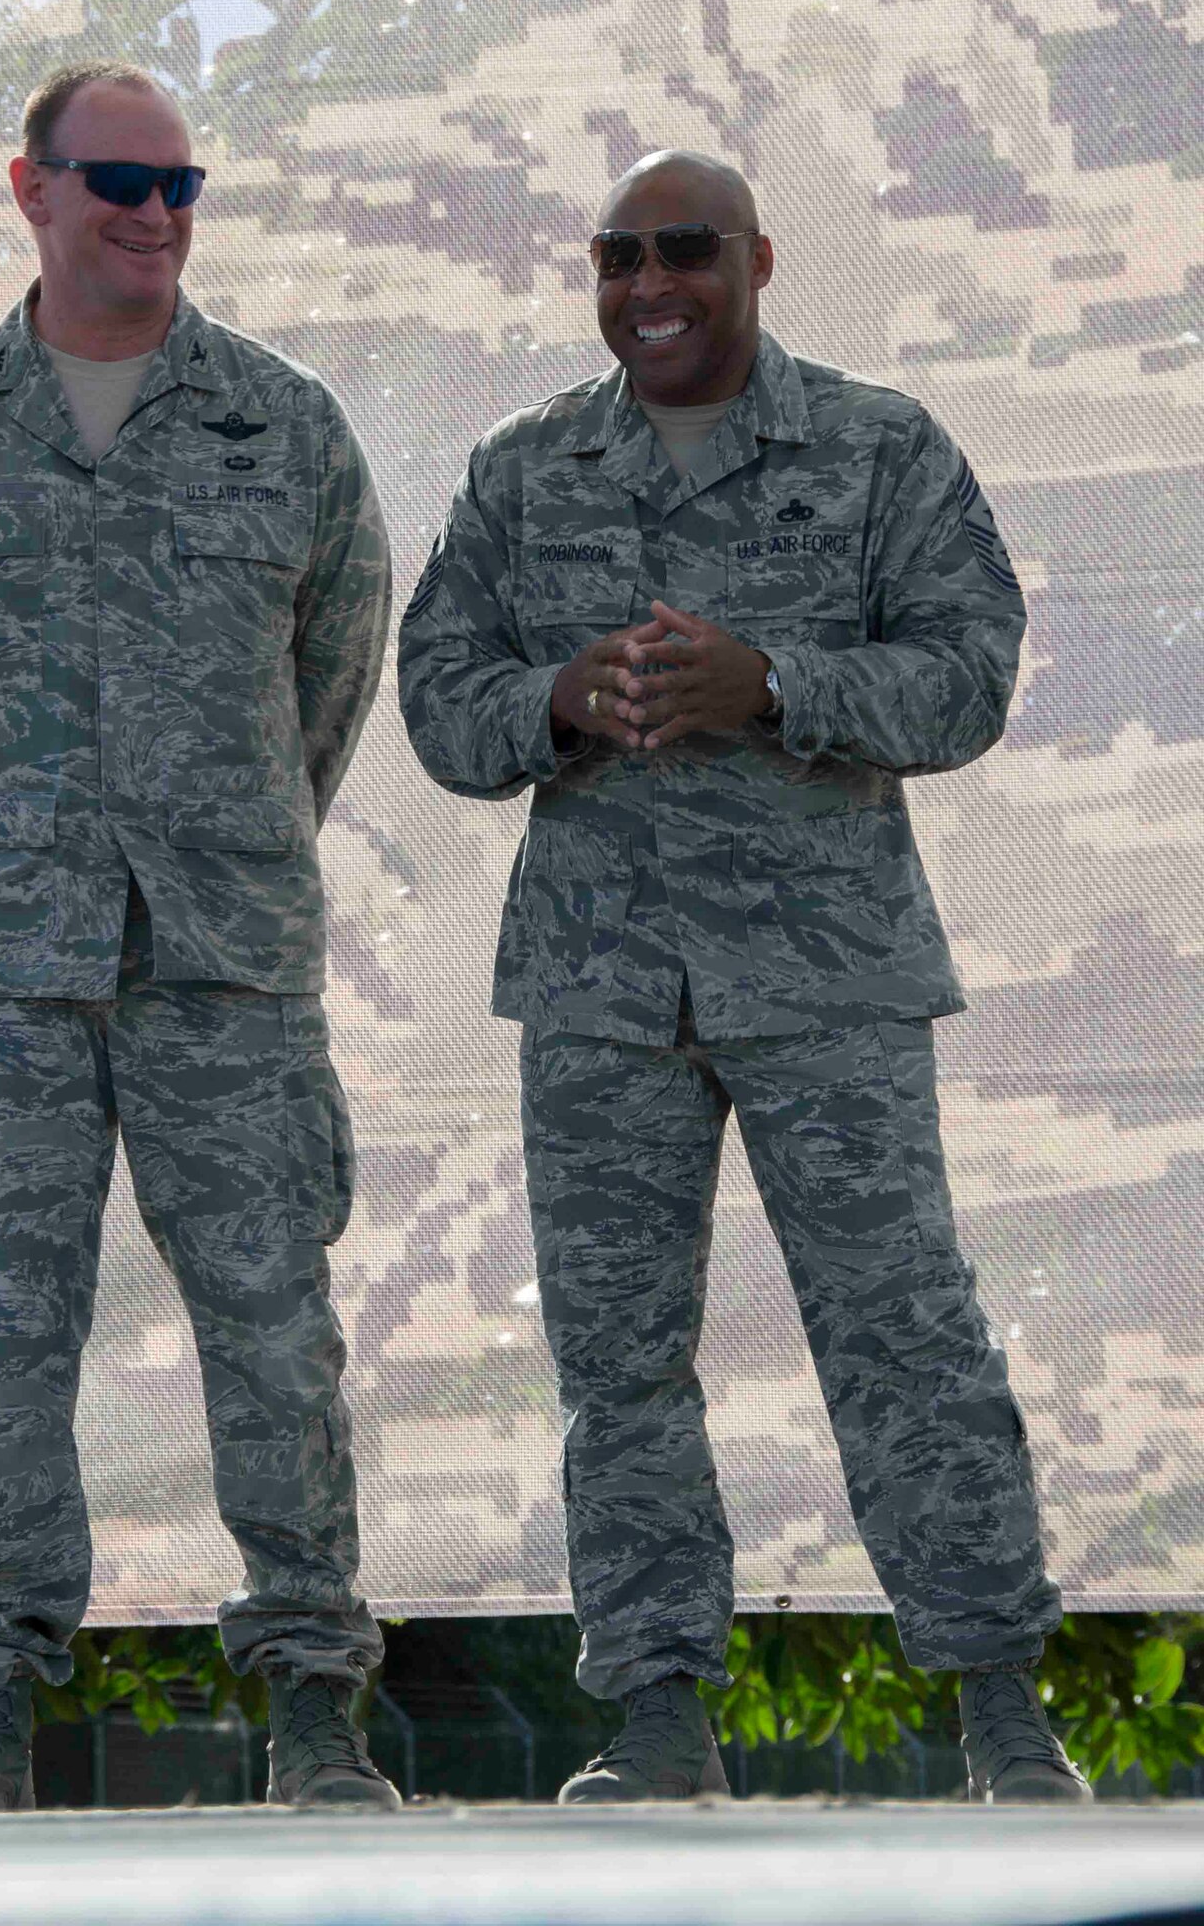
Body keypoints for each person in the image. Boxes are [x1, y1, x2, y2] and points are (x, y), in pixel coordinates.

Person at [397, 149, 1090, 1807]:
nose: (649, 284)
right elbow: (435, 697)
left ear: (758, 261)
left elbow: (968, 675)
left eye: (684, 250)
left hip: (826, 977)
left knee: (905, 1337)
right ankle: (655, 1720)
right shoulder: (522, 468)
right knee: (615, 1362)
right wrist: (555, 698)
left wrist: (771, 685)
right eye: (616, 256)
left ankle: (999, 1710)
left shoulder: (878, 446)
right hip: (600, 989)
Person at [0, 60, 399, 1814]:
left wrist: (222, 842)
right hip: (1, 971)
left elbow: (332, 675)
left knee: (273, 1331)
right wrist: (3, 859)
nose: (155, 216)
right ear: (34, 189)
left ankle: (315, 1711)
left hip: (225, 960)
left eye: (180, 187)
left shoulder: (282, 426)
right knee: (2, 1342)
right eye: (120, 183)